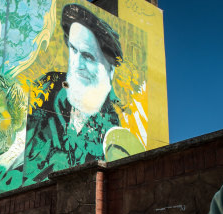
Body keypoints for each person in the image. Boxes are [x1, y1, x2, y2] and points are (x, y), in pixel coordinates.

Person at [23, 3, 143, 184]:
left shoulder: (115, 129)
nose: (76, 64)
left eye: (88, 56)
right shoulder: (45, 89)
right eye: (73, 49)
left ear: (110, 70)